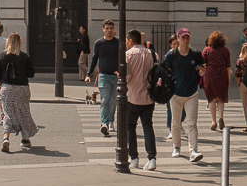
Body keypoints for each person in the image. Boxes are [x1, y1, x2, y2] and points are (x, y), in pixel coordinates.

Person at [164, 27, 206, 162]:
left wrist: (201, 71)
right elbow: (164, 70)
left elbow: (203, 71)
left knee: (192, 123)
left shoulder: (196, 54)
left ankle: (193, 150)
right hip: (175, 93)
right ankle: (176, 147)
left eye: (187, 37)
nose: (185, 40)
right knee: (176, 123)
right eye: (183, 37)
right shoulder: (172, 55)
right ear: (178, 38)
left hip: (191, 93)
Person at [0, 32, 37, 153]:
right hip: (22, 88)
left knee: (8, 114)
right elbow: (31, 74)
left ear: (8, 42)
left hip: (7, 88)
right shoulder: (24, 56)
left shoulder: (1, 56)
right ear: (19, 43)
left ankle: (6, 138)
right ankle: (25, 138)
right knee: (23, 112)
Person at [125, 29, 157, 170]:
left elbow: (126, 77)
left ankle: (134, 157)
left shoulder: (128, 55)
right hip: (149, 96)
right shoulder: (153, 54)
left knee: (130, 127)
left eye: (127, 41)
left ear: (130, 41)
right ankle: (151, 158)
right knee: (148, 126)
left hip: (133, 96)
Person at [86, 19, 119, 136]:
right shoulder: (98, 43)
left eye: (111, 28)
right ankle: (104, 124)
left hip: (116, 76)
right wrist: (88, 74)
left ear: (113, 29)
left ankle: (111, 121)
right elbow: (94, 59)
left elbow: (123, 59)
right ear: (103, 29)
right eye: (107, 28)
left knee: (113, 101)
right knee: (105, 100)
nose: (109, 30)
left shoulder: (118, 42)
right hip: (104, 75)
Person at [202, 31, 231, 130]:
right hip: (222, 73)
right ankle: (221, 117)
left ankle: (213, 121)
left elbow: (202, 63)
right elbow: (228, 66)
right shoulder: (225, 50)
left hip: (210, 74)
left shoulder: (207, 50)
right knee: (221, 98)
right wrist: (228, 79)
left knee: (211, 99)